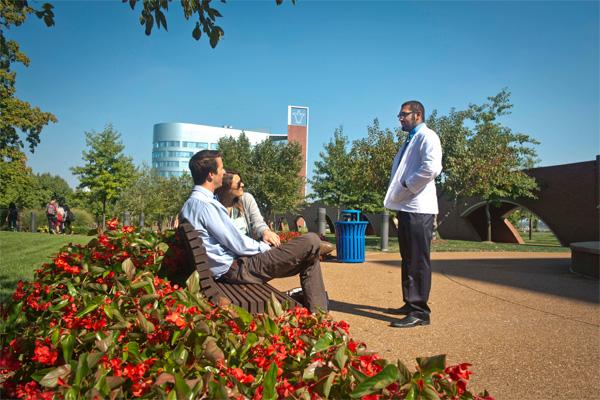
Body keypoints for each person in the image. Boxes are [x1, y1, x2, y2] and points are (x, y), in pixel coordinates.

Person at [180, 150, 328, 313]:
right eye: (221, 168)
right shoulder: (207, 206)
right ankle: (320, 315)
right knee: (311, 240)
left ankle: (319, 314)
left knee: (310, 257)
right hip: (238, 270)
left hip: (229, 270)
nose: (223, 172)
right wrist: (265, 248)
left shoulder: (190, 205)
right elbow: (238, 244)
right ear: (210, 175)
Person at [384, 100, 442, 328]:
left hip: (419, 208)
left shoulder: (428, 137)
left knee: (418, 260)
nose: (400, 118)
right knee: (408, 258)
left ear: (417, 115)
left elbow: (431, 167)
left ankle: (420, 312)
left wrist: (407, 185)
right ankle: (410, 303)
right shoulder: (410, 140)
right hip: (407, 207)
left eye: (403, 114)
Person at [214, 171, 281, 247]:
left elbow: (258, 222)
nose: (242, 185)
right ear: (227, 188)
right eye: (238, 183)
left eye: (241, 181)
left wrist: (265, 232)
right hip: (234, 254)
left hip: (251, 250)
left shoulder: (246, 199)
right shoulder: (214, 208)